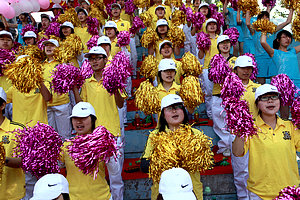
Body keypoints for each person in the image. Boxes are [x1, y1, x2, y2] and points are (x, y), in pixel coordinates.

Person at [73, 46, 126, 200]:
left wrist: (115, 87)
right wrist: (75, 87)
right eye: (91, 59)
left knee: (116, 176)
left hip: (111, 133)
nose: (94, 61)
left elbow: (121, 104)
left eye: (97, 58)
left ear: (105, 59)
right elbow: (80, 106)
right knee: (96, 175)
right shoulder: (87, 82)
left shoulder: (114, 77)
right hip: (93, 136)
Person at [232, 84, 300, 200]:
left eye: (274, 97)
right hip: (260, 193)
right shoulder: (251, 128)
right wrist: (241, 129)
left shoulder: (290, 126)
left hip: (289, 191)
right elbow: (237, 152)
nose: (270, 101)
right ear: (257, 104)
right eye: (264, 98)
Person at [141, 94, 204, 200]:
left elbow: (207, 162)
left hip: (190, 193)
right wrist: (166, 159)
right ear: (163, 114)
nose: (174, 111)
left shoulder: (196, 134)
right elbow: (144, 166)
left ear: (184, 111)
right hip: (164, 194)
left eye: (178, 107)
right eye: (169, 108)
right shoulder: (155, 135)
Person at [61, 102, 119, 200]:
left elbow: (115, 171)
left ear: (93, 120)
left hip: (101, 197)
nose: (79, 122)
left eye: (83, 118)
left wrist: (109, 150)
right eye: (75, 118)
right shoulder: (66, 146)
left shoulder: (103, 144)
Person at [246, 8, 293, 84]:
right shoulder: (254, 31)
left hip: (272, 58)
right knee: (260, 83)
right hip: (259, 59)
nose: (265, 19)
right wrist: (248, 7)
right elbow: (248, 23)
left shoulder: (272, 30)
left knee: (274, 83)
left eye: (267, 17)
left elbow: (288, 21)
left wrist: (292, 9)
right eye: (263, 17)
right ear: (258, 20)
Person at [260, 29, 300, 119]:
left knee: (297, 111)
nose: (287, 39)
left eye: (289, 37)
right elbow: (263, 42)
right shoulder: (275, 52)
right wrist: (264, 29)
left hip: (297, 83)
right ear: (278, 40)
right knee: (284, 113)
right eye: (284, 37)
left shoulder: (292, 51)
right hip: (284, 85)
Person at [210, 35, 237, 157]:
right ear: (218, 46)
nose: (225, 45)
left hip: (232, 96)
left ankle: (235, 146)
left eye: (227, 43)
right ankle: (224, 146)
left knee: (233, 122)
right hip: (218, 94)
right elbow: (211, 77)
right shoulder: (214, 59)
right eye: (222, 43)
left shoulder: (235, 59)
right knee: (220, 123)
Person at [42, 39, 72, 140]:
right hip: (46, 105)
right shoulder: (40, 65)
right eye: (47, 46)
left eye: (52, 45)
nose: (49, 47)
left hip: (61, 103)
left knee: (65, 136)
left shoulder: (63, 63)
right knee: (50, 137)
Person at [0, 87, 26, 200]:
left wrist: (3, 159)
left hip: (12, 195)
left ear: (2, 106)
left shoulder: (17, 130)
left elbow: (25, 161)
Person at [198, 18, 219, 119]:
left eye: (214, 24)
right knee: (209, 93)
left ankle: (220, 114)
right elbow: (201, 56)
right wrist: (201, 46)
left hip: (220, 69)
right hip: (208, 68)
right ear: (206, 27)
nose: (212, 26)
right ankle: (210, 115)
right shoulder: (204, 39)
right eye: (209, 24)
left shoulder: (221, 38)